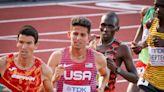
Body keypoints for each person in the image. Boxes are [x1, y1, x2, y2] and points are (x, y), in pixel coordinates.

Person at [47, 17, 109, 92]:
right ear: (69, 34)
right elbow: (43, 87)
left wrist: (101, 88)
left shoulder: (98, 58)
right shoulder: (57, 57)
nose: (78, 38)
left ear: (88, 37)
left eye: (82, 35)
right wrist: (54, 79)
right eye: (75, 34)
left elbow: (105, 74)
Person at [89, 12, 138, 92]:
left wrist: (116, 69)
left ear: (117, 28)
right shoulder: (92, 41)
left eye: (110, 26)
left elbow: (135, 78)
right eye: (103, 25)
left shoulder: (122, 48)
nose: (105, 29)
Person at [0, 25, 53, 92]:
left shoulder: (43, 70)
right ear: (17, 43)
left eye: (28, 43)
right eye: (21, 42)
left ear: (36, 45)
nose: (24, 47)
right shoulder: (3, 63)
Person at [137, 0, 164, 91]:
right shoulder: (152, 22)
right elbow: (148, 40)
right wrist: (140, 46)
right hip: (150, 78)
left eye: (163, 7)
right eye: (156, 6)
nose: (158, 10)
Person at [128, 5, 155, 92]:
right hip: (144, 61)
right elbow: (142, 27)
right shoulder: (147, 11)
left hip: (157, 66)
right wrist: (135, 43)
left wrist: (142, 45)